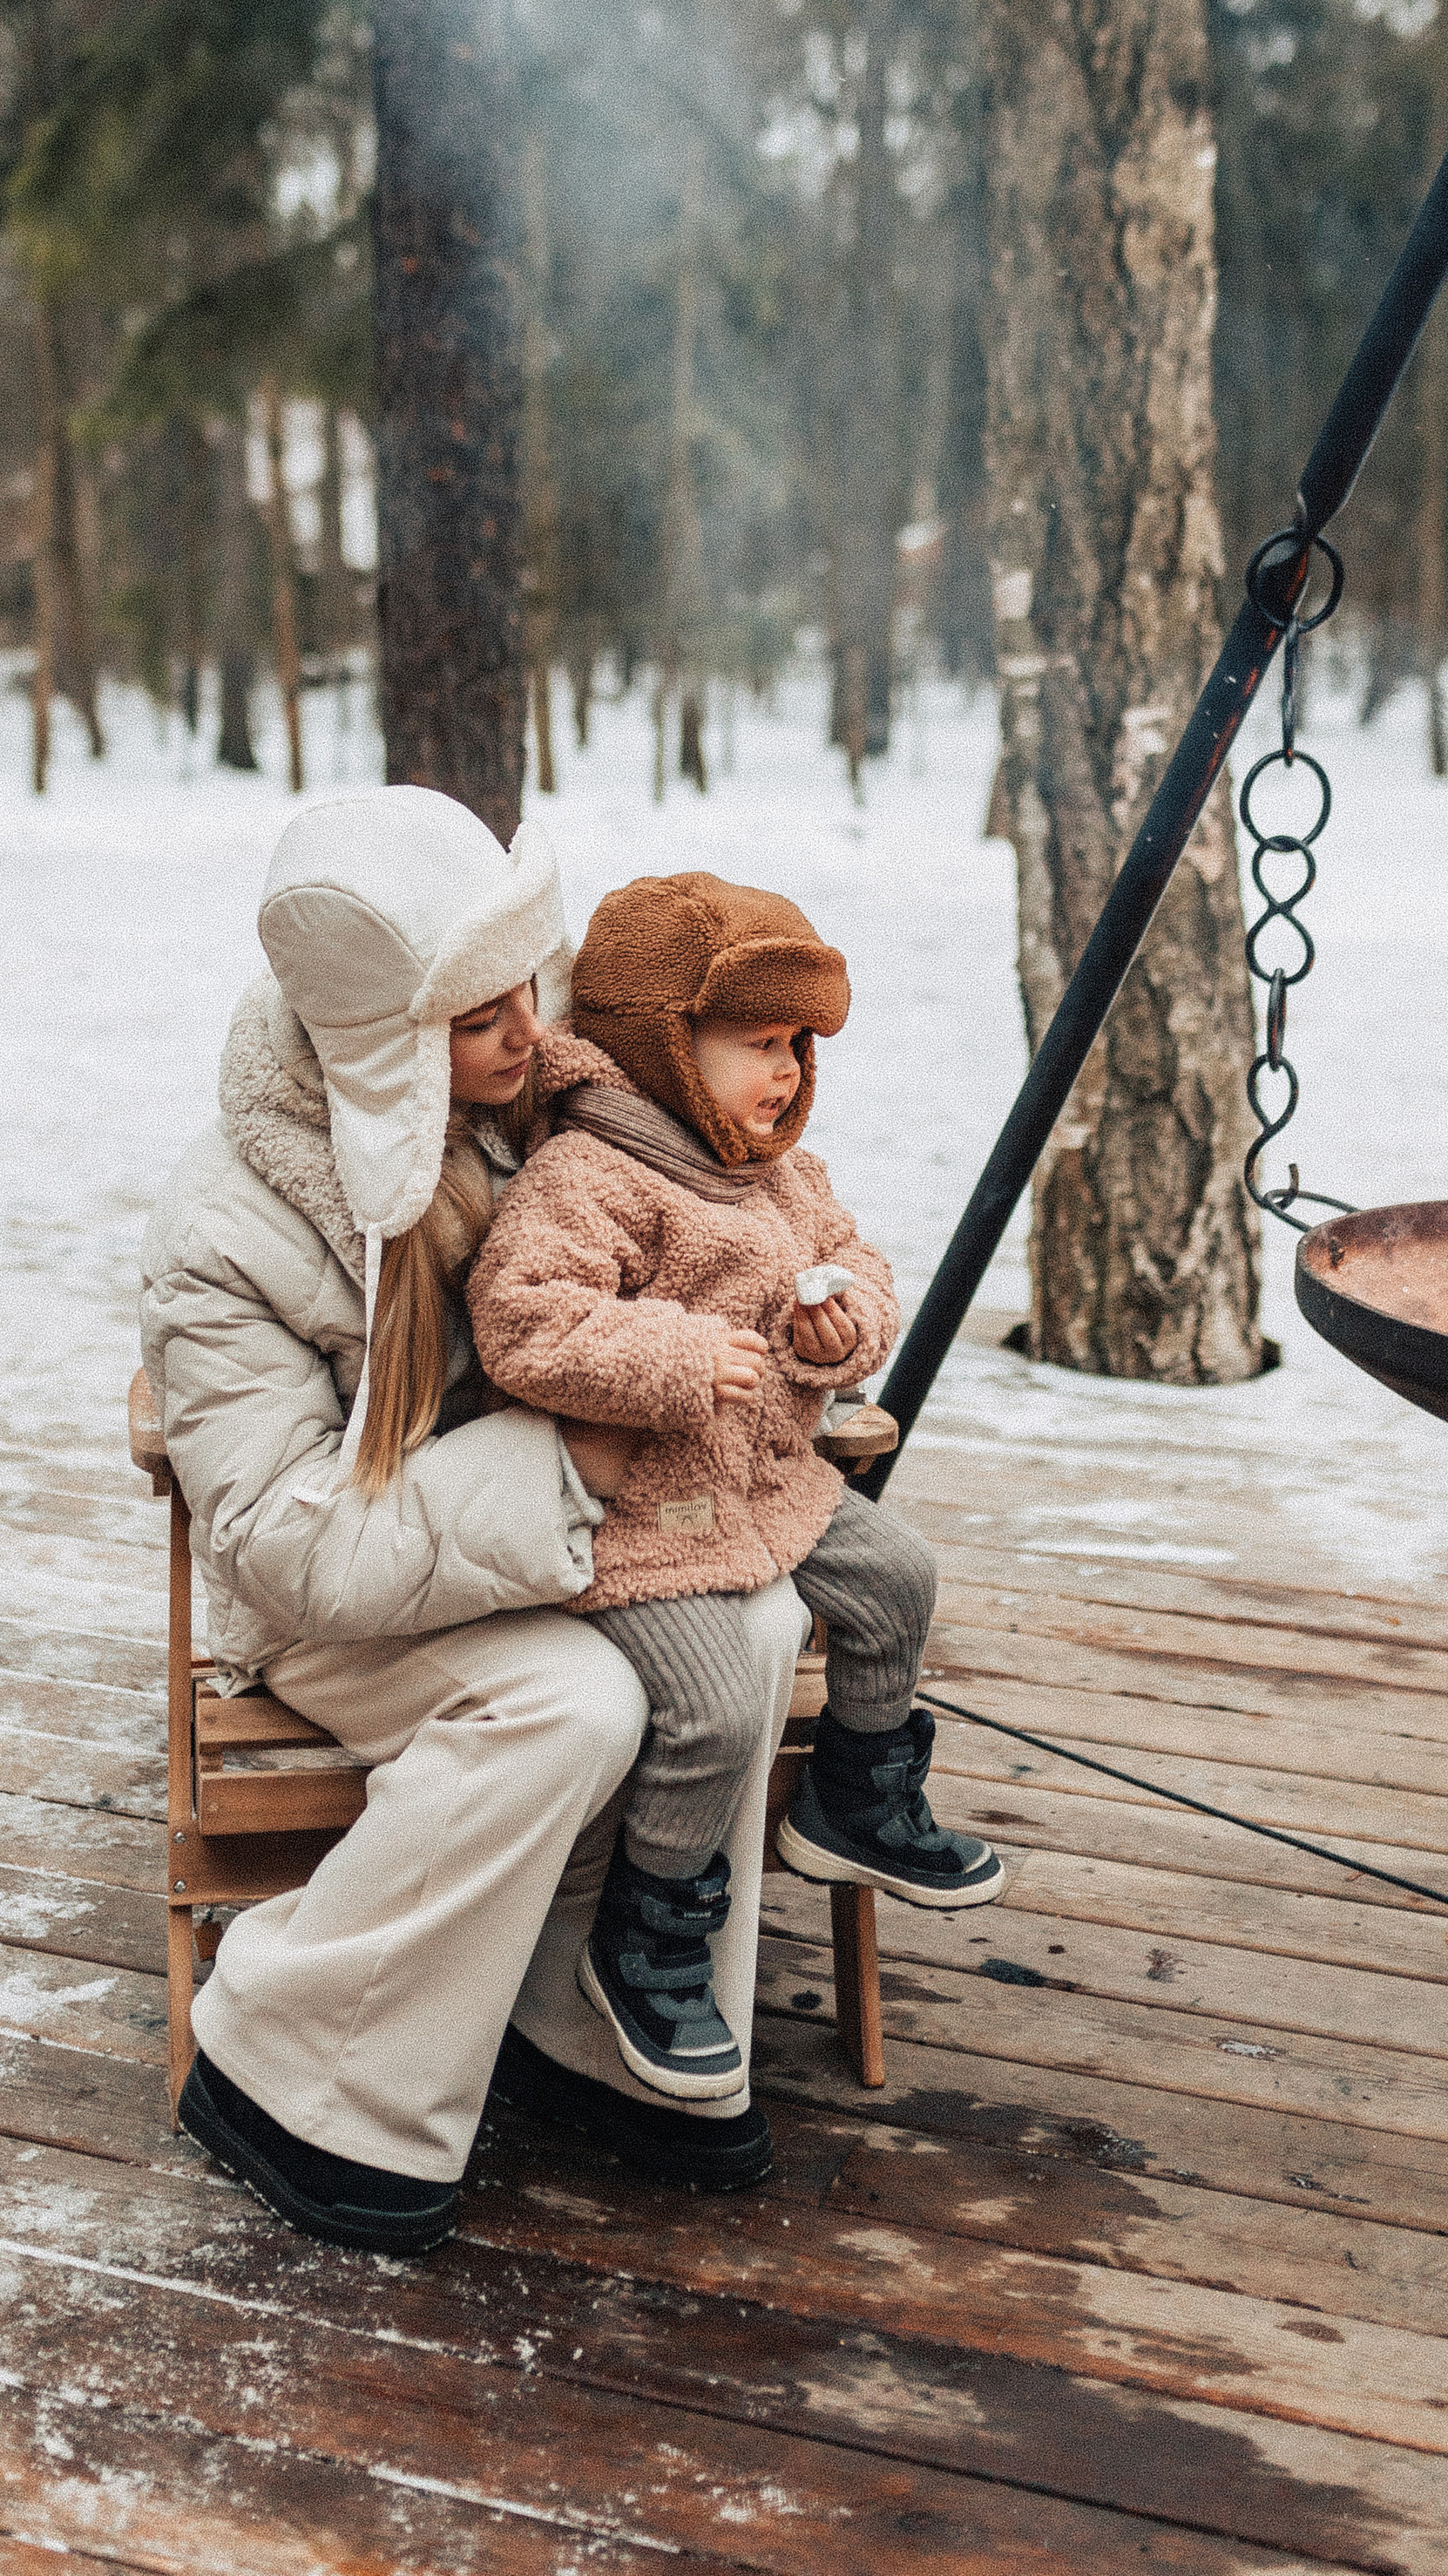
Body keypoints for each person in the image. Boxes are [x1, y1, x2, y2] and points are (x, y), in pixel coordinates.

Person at [139, 792, 804, 2254]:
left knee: (758, 1619)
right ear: (377, 1048)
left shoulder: (535, 1106)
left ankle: (602, 2019)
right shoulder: (230, 1231)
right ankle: (301, 2061)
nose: (526, 1029)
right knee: (566, 1706)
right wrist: (566, 1455)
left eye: (526, 984)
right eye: (474, 1016)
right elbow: (281, 1542)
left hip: (549, 1540)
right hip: (342, 1603)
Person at [467, 870, 1005, 2105]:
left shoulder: (779, 1172)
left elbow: (854, 1261)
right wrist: (669, 1354)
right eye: (757, 1043)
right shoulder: (588, 1176)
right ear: (663, 1042)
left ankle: (858, 1795)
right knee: (711, 1708)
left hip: (769, 1485)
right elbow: (523, 1325)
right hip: (642, 1516)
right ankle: (647, 1932)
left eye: (799, 1045)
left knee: (898, 1580)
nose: (787, 1073)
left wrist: (847, 1327)